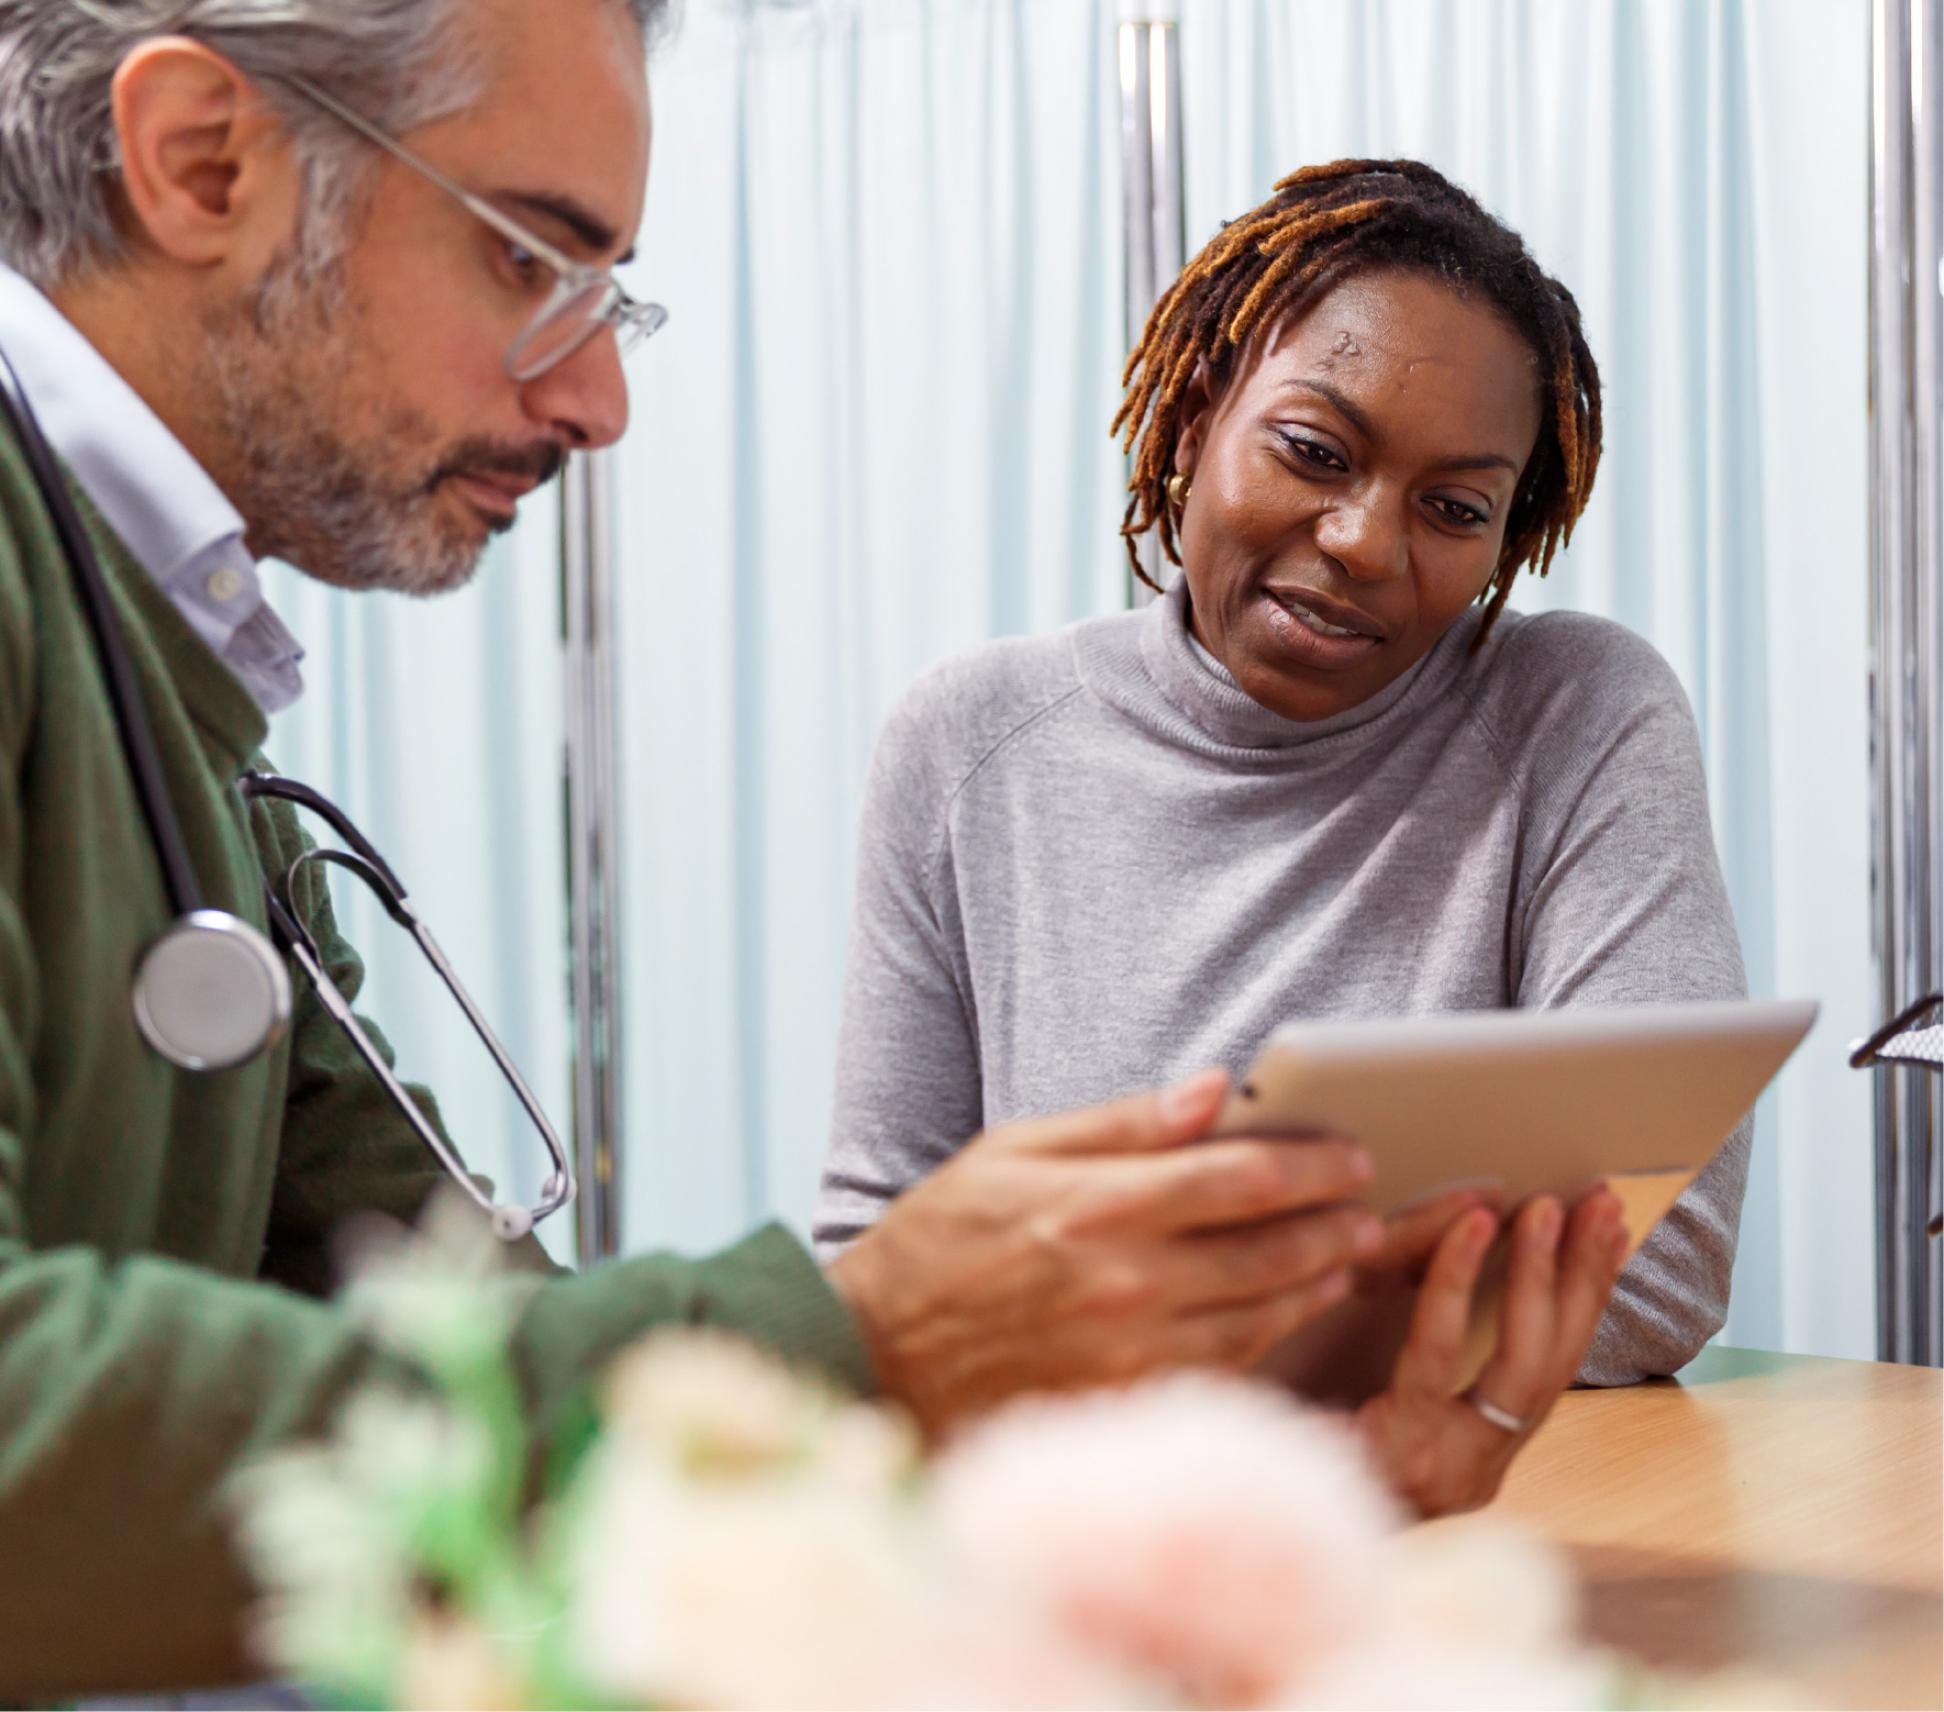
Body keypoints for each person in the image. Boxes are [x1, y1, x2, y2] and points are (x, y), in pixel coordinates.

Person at [0, 6, 1611, 1700]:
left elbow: (460, 1372)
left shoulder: (175, 692)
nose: (598, 395)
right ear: (202, 161)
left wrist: (1206, 1509)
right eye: (529, 262)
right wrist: (873, 1339)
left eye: (604, 300)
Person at [817, 161, 1746, 1398]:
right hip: (1076, 1525)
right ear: (1199, 416)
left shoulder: (1578, 716)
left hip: (1472, 1518)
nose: (1366, 539)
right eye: (1315, 449)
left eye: (1456, 507)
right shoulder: (968, 743)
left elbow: (1653, 1259)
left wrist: (1094, 1313)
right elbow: (881, 1280)